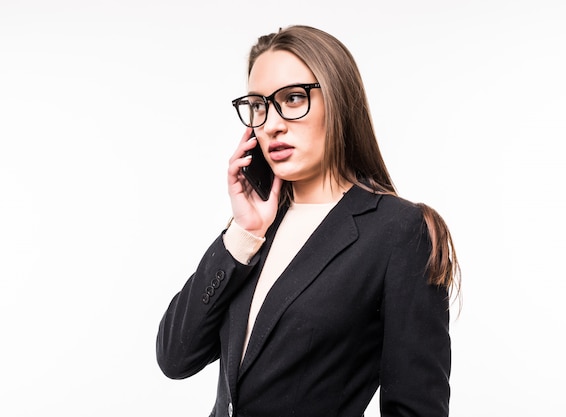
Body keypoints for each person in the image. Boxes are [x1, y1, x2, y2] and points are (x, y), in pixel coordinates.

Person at [156, 25, 461, 417]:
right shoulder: (257, 227)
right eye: (259, 106)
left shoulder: (400, 231)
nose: (272, 124)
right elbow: (175, 357)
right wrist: (243, 233)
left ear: (337, 99)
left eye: (293, 98)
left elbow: (417, 408)